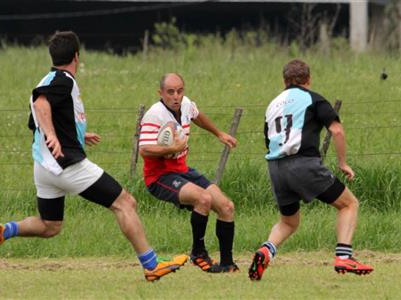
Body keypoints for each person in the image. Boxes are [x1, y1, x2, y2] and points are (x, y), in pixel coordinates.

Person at [0, 31, 187, 282]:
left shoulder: (47, 78)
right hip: (67, 165)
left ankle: (5, 230)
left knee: (50, 225)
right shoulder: (63, 80)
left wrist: (75, 133)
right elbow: (41, 105)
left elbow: (38, 119)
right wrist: (54, 137)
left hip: (44, 168)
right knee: (125, 203)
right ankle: (152, 265)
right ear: (77, 56)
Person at [248, 59, 374, 281]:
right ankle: (344, 257)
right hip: (303, 164)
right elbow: (337, 131)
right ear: (308, 79)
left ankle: (265, 251)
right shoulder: (312, 98)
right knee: (349, 204)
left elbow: (269, 140)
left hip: (275, 167)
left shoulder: (272, 105)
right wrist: (343, 163)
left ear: (284, 81)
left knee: (288, 221)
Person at [138, 73, 239, 273]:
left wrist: (219, 133)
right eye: (170, 92)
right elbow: (144, 149)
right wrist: (172, 148)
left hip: (182, 170)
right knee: (203, 199)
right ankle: (198, 253)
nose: (176, 96)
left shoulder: (185, 104)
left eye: (180, 91)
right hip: (159, 177)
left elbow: (197, 115)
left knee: (227, 206)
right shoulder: (154, 114)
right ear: (161, 93)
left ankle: (227, 263)